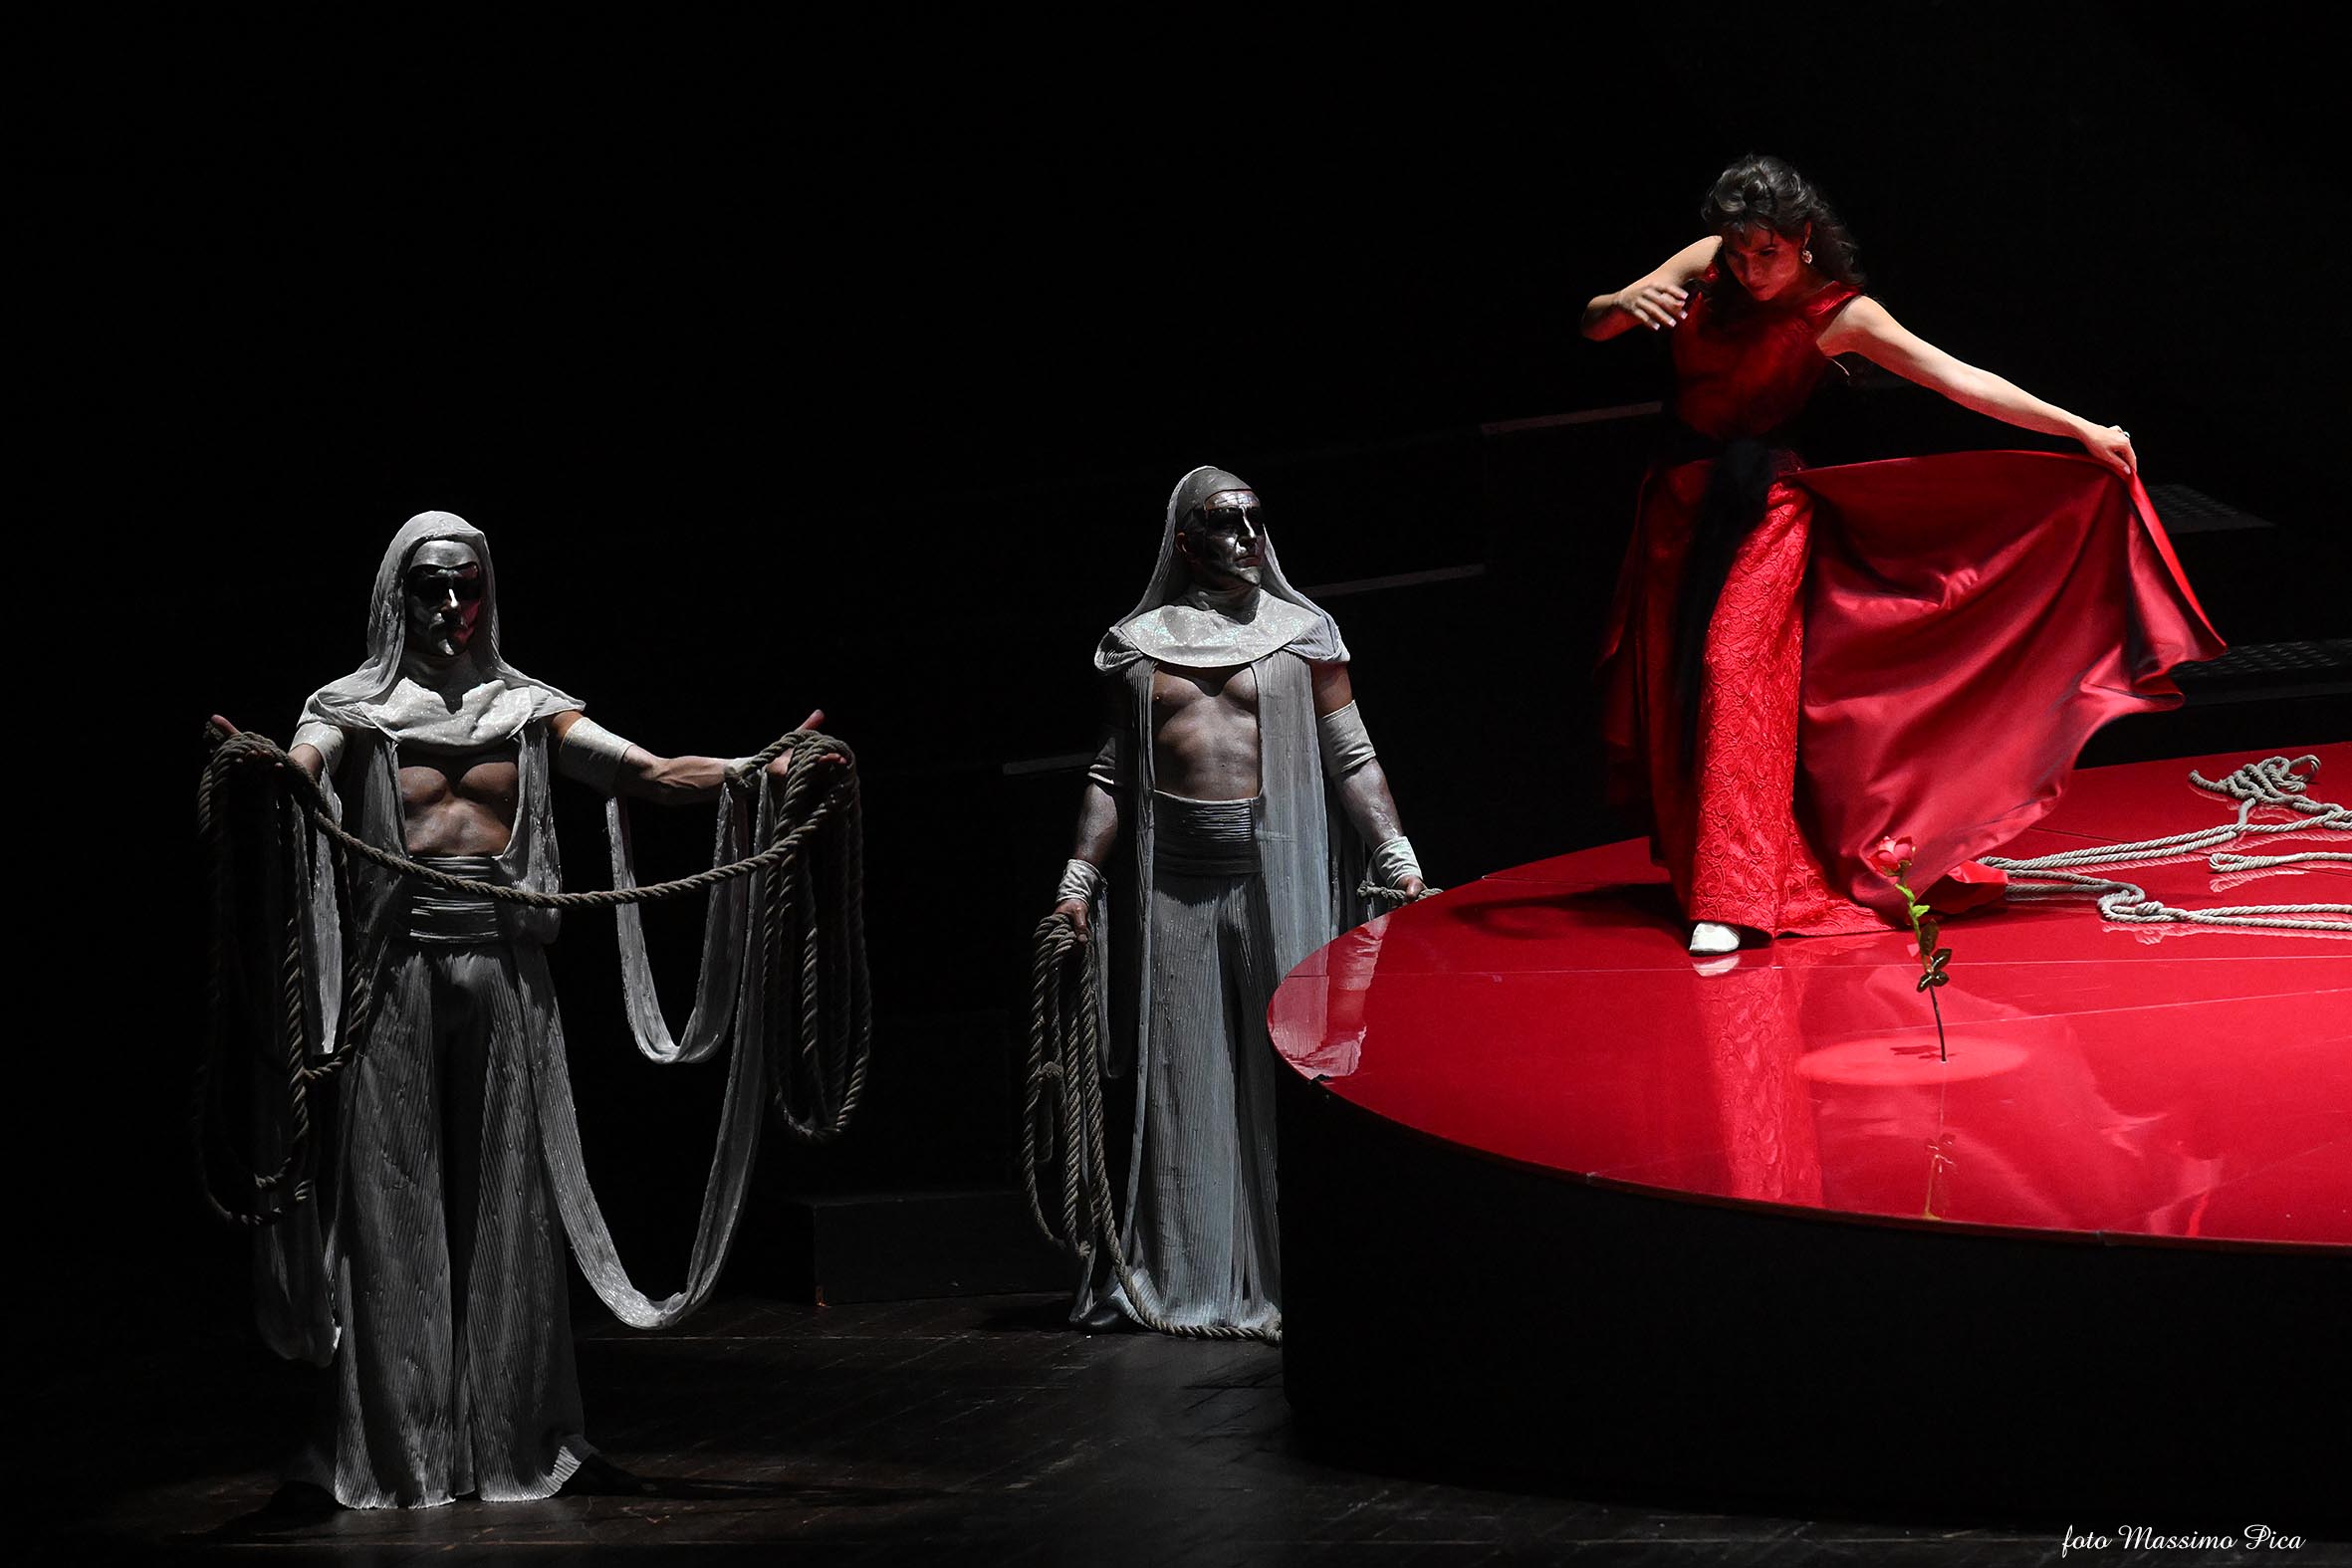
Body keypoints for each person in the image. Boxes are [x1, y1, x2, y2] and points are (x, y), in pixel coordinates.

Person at [215, 510, 833, 1508]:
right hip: (395, 977)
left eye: (468, 586)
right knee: (391, 1211)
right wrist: (265, 766)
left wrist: (759, 771)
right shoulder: (353, 707)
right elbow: (305, 767)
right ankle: (399, 1447)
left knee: (512, 1206)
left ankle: (516, 1432)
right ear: (397, 595)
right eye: (432, 587)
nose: (453, 606)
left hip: (506, 977)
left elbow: (649, 774)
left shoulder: (527, 709)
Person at [1583, 154, 2222, 955]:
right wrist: (1620, 303)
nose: (1750, 269)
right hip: (1676, 508)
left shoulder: (1840, 312)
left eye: (1767, 253)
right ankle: (1707, 871)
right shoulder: (1709, 261)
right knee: (1676, 691)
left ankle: (1734, 896)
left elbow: (1958, 379)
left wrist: (2080, 429)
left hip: (1765, 508)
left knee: (1731, 666)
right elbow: (1597, 323)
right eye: (1740, 253)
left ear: (1803, 236)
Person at [1049, 466, 1424, 1338]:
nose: (1248, 536)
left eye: (1256, 519)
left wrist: (1396, 855)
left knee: (1294, 1069)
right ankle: (1188, 1271)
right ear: (1185, 541)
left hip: (1276, 869)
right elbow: (1112, 772)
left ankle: (1308, 1267)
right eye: (1225, 522)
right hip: (1175, 880)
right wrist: (1077, 880)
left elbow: (1352, 757)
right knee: (1184, 1075)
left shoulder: (1302, 634)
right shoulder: (1137, 646)